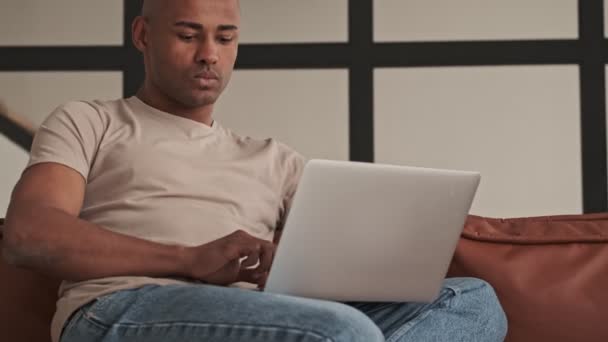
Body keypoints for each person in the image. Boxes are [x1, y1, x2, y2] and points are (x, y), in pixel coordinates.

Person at [2, 1, 508, 341]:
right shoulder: (90, 121)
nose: (209, 55)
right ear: (142, 34)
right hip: (120, 310)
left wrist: (288, 267)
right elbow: (28, 235)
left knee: (472, 302)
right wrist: (189, 259)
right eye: (188, 35)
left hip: (260, 318)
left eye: (225, 38)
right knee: (343, 333)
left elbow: (339, 253)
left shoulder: (275, 159)